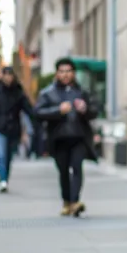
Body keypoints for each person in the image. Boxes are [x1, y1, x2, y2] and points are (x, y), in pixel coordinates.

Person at [35, 57, 99, 216]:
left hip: (79, 137)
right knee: (63, 171)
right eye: (62, 71)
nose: (65, 75)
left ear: (73, 73)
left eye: (68, 71)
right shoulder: (48, 93)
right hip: (58, 139)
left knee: (77, 167)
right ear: (57, 73)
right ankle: (66, 201)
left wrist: (85, 109)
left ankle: (75, 201)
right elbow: (38, 113)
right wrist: (58, 111)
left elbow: (94, 110)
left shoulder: (82, 92)